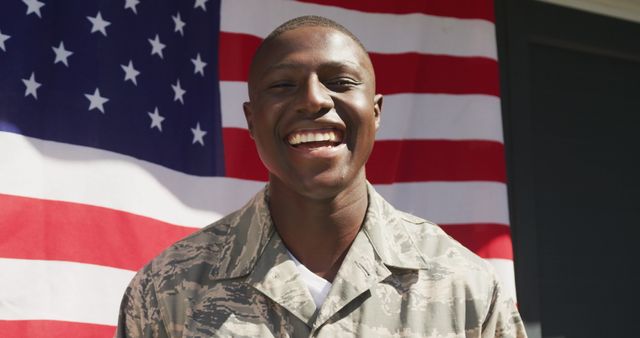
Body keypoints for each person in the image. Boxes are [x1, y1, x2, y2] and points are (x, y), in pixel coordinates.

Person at [116, 15, 527, 338]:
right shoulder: (168, 290)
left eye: (340, 82)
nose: (314, 99)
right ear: (251, 120)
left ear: (376, 112)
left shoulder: (465, 288)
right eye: (282, 85)